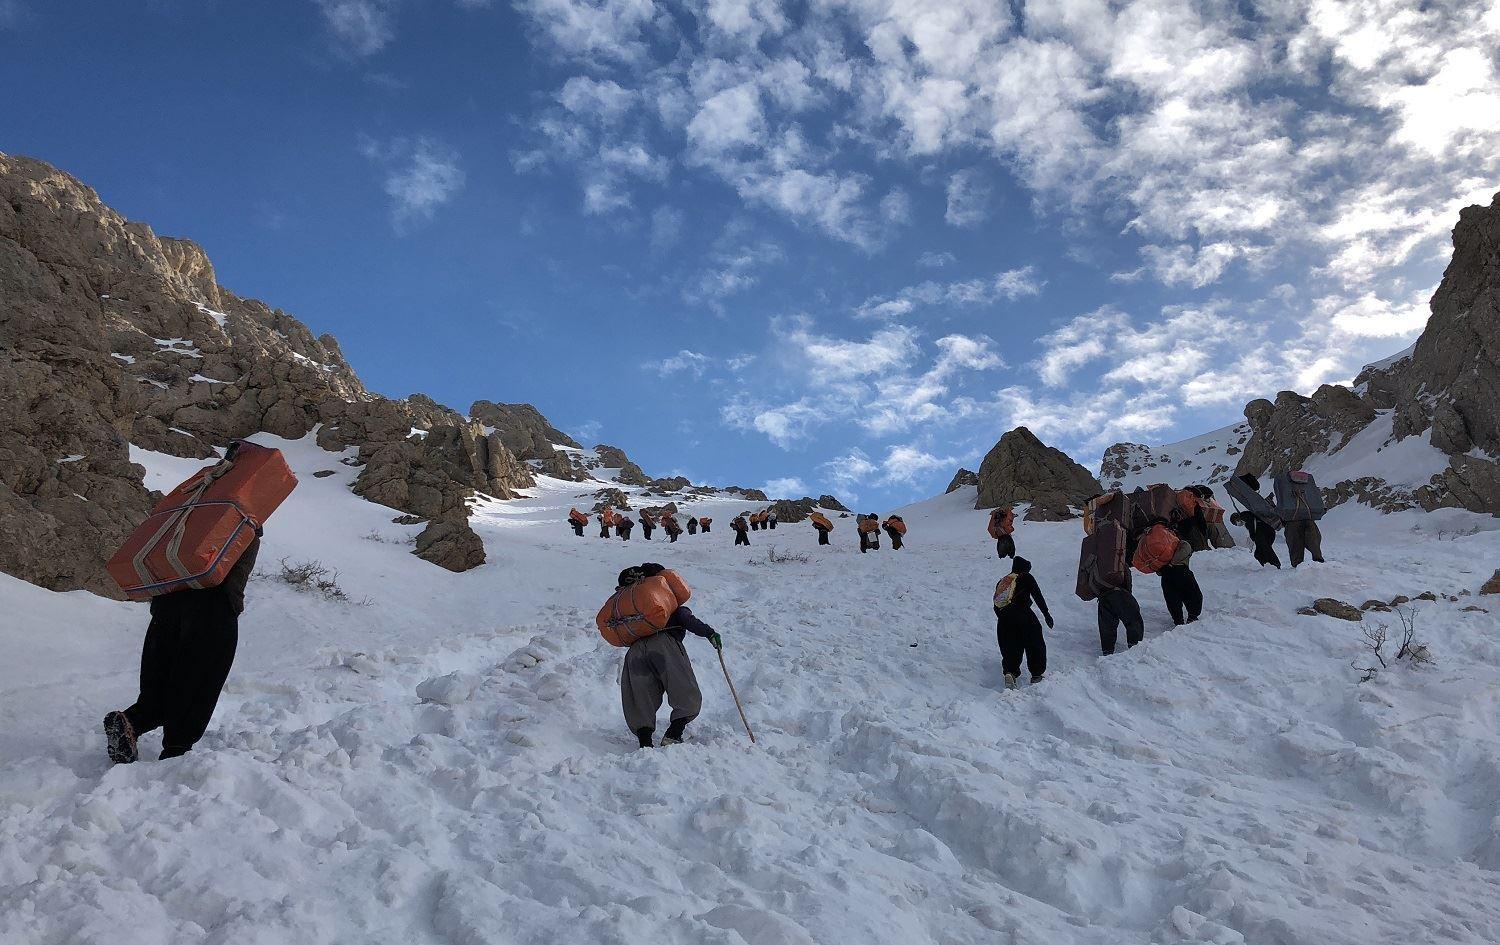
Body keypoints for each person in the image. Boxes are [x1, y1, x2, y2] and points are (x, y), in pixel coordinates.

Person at [103, 529, 262, 763]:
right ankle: (175, 753)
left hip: (167, 602)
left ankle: (132, 722)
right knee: (199, 683)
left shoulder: (191, 514)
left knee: (160, 677)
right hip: (213, 609)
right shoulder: (241, 522)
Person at [614, 563, 722, 748]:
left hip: (635, 650)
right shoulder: (667, 602)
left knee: (640, 694)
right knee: (683, 688)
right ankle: (674, 733)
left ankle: (645, 741)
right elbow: (688, 619)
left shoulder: (634, 607)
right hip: (665, 646)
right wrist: (710, 633)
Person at [993, 556, 1052, 689]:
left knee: (1010, 645)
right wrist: (1046, 613)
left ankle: (1010, 672)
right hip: (1023, 614)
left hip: (1004, 618)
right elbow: (1037, 595)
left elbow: (996, 604)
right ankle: (1037, 674)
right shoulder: (1026, 577)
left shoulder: (1003, 581)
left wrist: (1003, 617)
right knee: (1034, 642)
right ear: (1025, 569)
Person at [1094, 570, 1145, 655]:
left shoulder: (1099, 560)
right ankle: (1135, 648)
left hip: (1103, 596)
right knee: (1133, 620)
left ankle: (1107, 651)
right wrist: (1128, 595)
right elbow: (1126, 578)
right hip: (1120, 593)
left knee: (1107, 625)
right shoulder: (1119, 560)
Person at [1158, 541, 1203, 626]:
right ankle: (1192, 617)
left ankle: (1178, 620)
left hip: (1166, 574)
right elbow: (1185, 549)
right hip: (1181, 571)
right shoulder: (1182, 543)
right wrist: (1172, 563)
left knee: (1172, 598)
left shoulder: (1162, 545)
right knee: (1193, 594)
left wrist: (1164, 569)